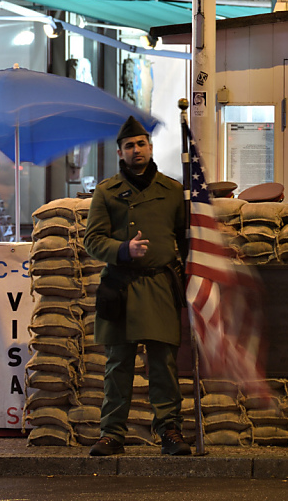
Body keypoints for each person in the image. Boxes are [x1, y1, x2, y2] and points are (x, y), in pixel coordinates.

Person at [83, 116, 190, 457]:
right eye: (129, 146)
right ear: (120, 152)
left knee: (163, 364)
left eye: (141, 143)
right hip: (121, 286)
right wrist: (122, 250)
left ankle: (170, 431)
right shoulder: (107, 192)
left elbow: (187, 240)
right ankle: (112, 433)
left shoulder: (173, 191)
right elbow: (92, 240)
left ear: (151, 147)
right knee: (118, 366)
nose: (136, 150)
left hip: (159, 284)